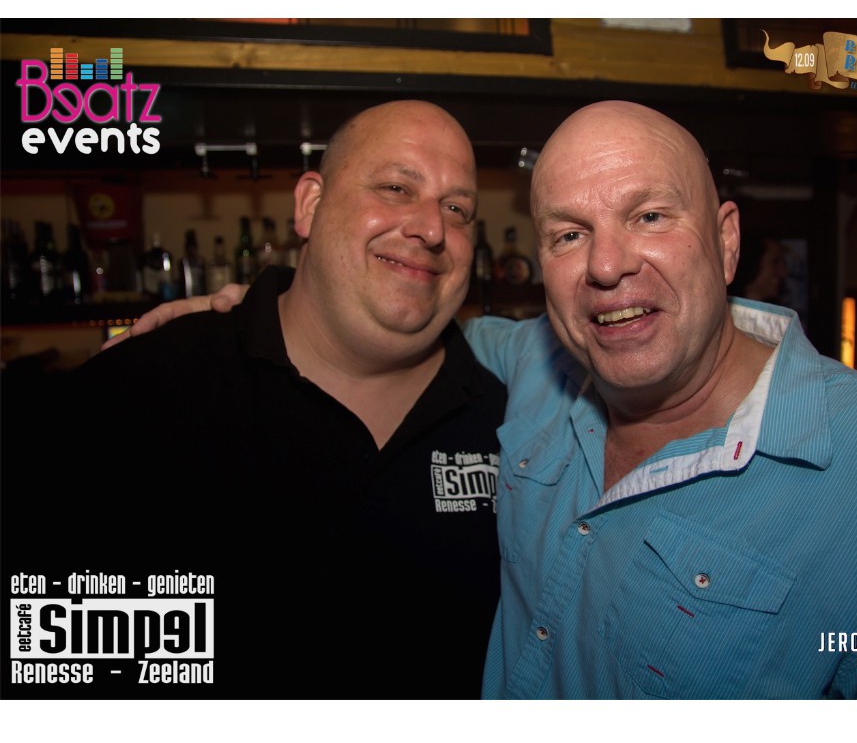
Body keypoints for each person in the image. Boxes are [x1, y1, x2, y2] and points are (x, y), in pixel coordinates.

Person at [109, 101, 857, 700]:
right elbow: (387, 315)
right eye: (571, 233)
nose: (607, 265)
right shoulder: (529, 367)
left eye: (650, 216)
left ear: (727, 240)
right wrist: (248, 310)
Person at [1, 100, 507, 700]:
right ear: (310, 205)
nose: (431, 228)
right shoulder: (138, 391)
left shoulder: (515, 420)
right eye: (397, 188)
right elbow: (46, 659)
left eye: (457, 209)